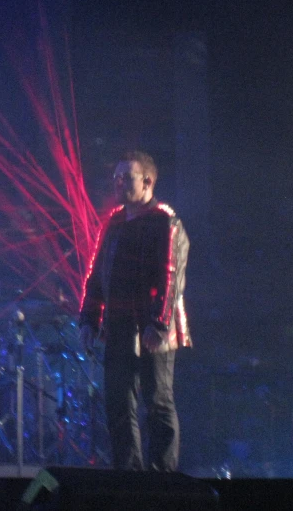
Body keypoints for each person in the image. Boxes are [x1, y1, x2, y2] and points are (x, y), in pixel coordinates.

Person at [79, 150, 191, 471]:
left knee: (157, 401)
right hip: (119, 325)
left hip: (153, 327)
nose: (118, 183)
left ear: (147, 181)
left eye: (126, 177)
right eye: (116, 177)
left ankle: (162, 477)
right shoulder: (113, 222)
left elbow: (171, 275)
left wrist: (158, 323)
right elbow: (97, 274)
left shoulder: (164, 220)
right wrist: (89, 318)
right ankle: (129, 475)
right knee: (118, 402)